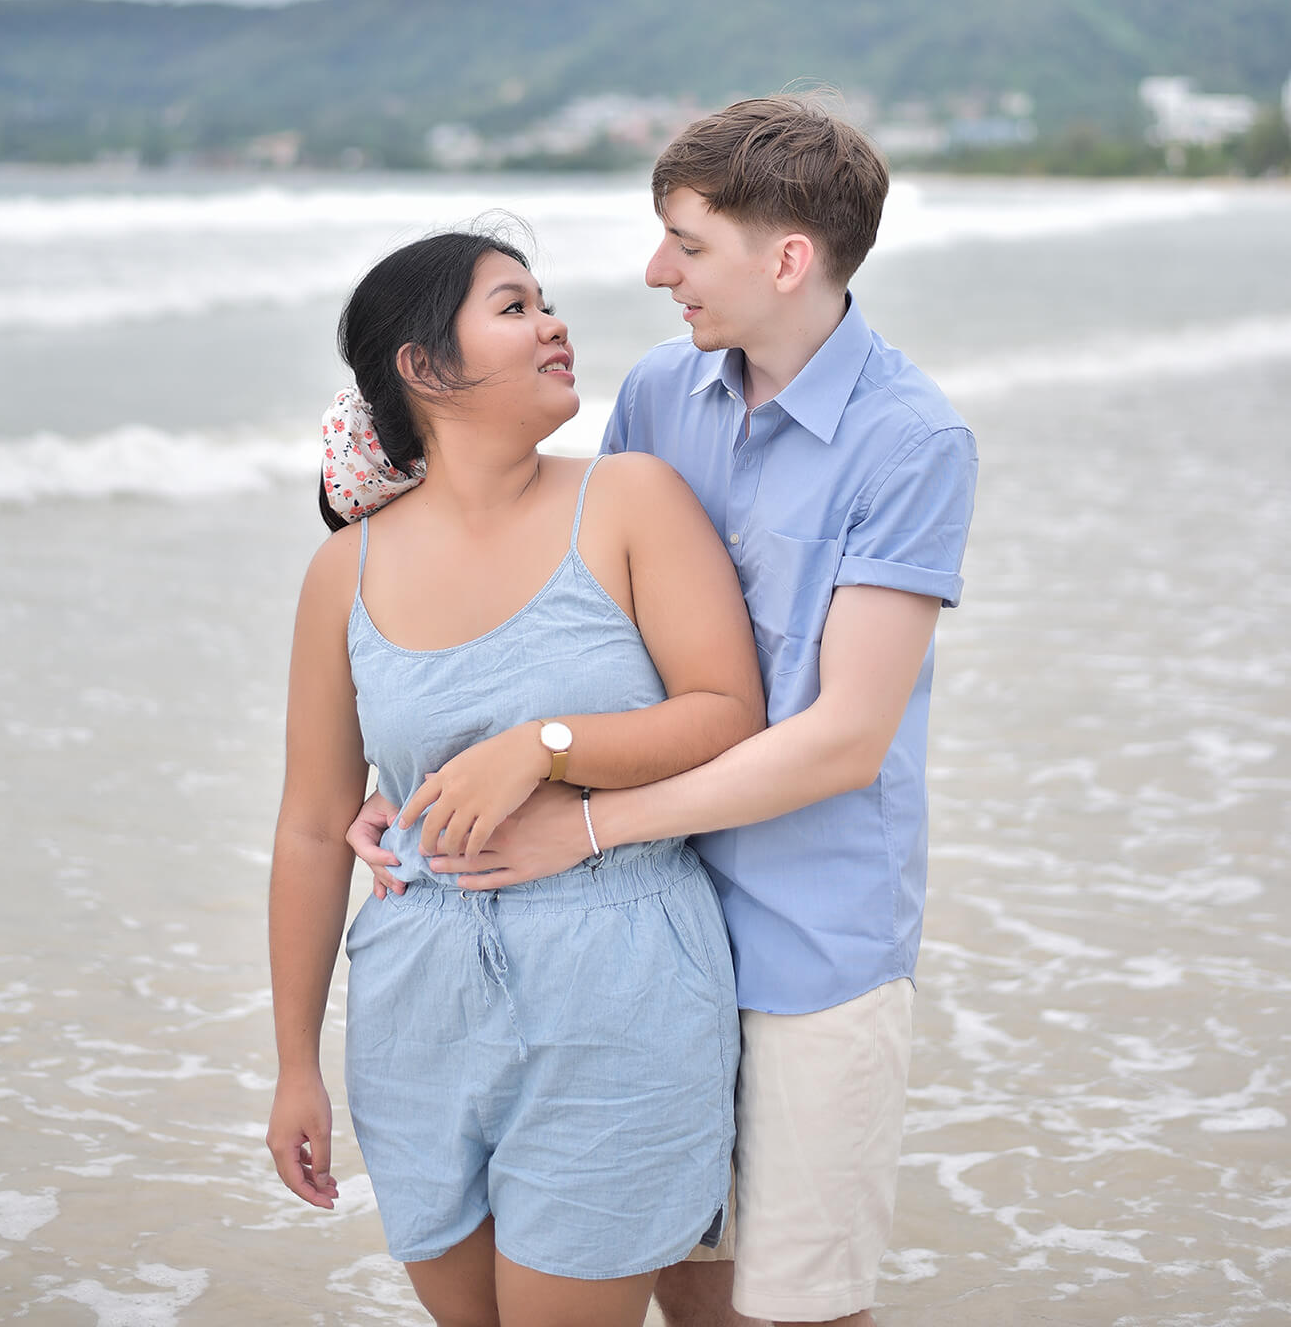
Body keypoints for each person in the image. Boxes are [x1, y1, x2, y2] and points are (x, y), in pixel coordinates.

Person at [349, 96, 979, 1327]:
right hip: (645, 944)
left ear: (784, 257)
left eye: (683, 244)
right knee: (683, 1293)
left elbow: (845, 735)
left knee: (791, 1309)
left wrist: (584, 819)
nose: (652, 272)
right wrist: (428, 760)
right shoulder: (659, 392)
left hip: (808, 935)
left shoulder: (910, 441)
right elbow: (578, 613)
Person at [266, 229, 766, 1327]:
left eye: (543, 301)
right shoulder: (341, 569)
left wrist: (542, 742)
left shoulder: (630, 498)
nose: (553, 323)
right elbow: (310, 828)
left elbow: (727, 713)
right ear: (423, 367)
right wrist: (294, 1064)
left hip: (619, 978)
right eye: (512, 305)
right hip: (414, 998)